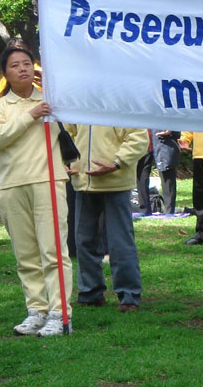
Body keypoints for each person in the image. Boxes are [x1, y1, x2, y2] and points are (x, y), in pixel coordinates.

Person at [0, 45, 73, 336]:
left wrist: (52, 97)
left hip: (48, 181)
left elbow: (74, 124)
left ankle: (60, 314)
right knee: (26, 255)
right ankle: (37, 310)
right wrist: (32, 114)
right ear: (5, 73)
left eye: (26, 63)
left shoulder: (51, 101)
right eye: (15, 65)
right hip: (10, 185)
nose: (22, 69)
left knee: (53, 251)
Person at [66, 124, 148, 312]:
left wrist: (117, 163)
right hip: (83, 182)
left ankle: (129, 296)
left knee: (120, 242)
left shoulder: (123, 107)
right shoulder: (78, 108)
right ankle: (90, 293)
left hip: (116, 182)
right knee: (84, 241)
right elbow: (66, 134)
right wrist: (65, 161)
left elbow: (139, 138)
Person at [152, 130, 181, 214]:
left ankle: (169, 211)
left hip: (165, 146)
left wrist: (169, 131)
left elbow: (177, 131)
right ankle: (145, 209)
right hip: (152, 144)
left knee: (167, 177)